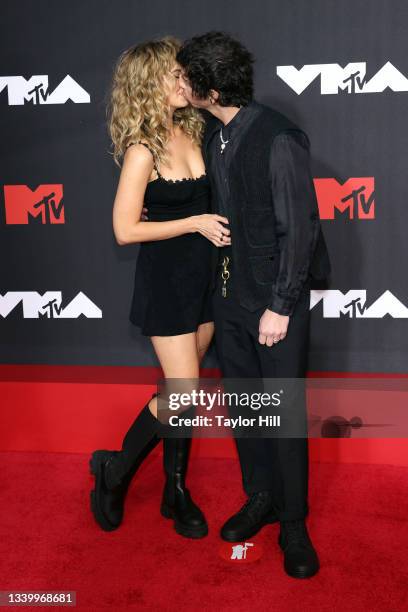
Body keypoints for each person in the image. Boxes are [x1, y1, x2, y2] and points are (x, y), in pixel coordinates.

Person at [176, 31, 331, 577]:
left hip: (272, 304)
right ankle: (260, 497)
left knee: (284, 418)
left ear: (210, 89)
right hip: (230, 300)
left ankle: (293, 521)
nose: (179, 85)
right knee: (247, 411)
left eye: (185, 78)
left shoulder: (279, 136)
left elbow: (300, 228)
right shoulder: (215, 135)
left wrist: (282, 306)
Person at [89, 37, 231, 539]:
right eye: (173, 75)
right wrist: (192, 222)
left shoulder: (198, 130)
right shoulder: (141, 148)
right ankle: (115, 471)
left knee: (179, 392)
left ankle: (175, 490)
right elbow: (125, 230)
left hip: (206, 279)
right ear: (149, 84)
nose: (183, 80)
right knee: (185, 391)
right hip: (167, 281)